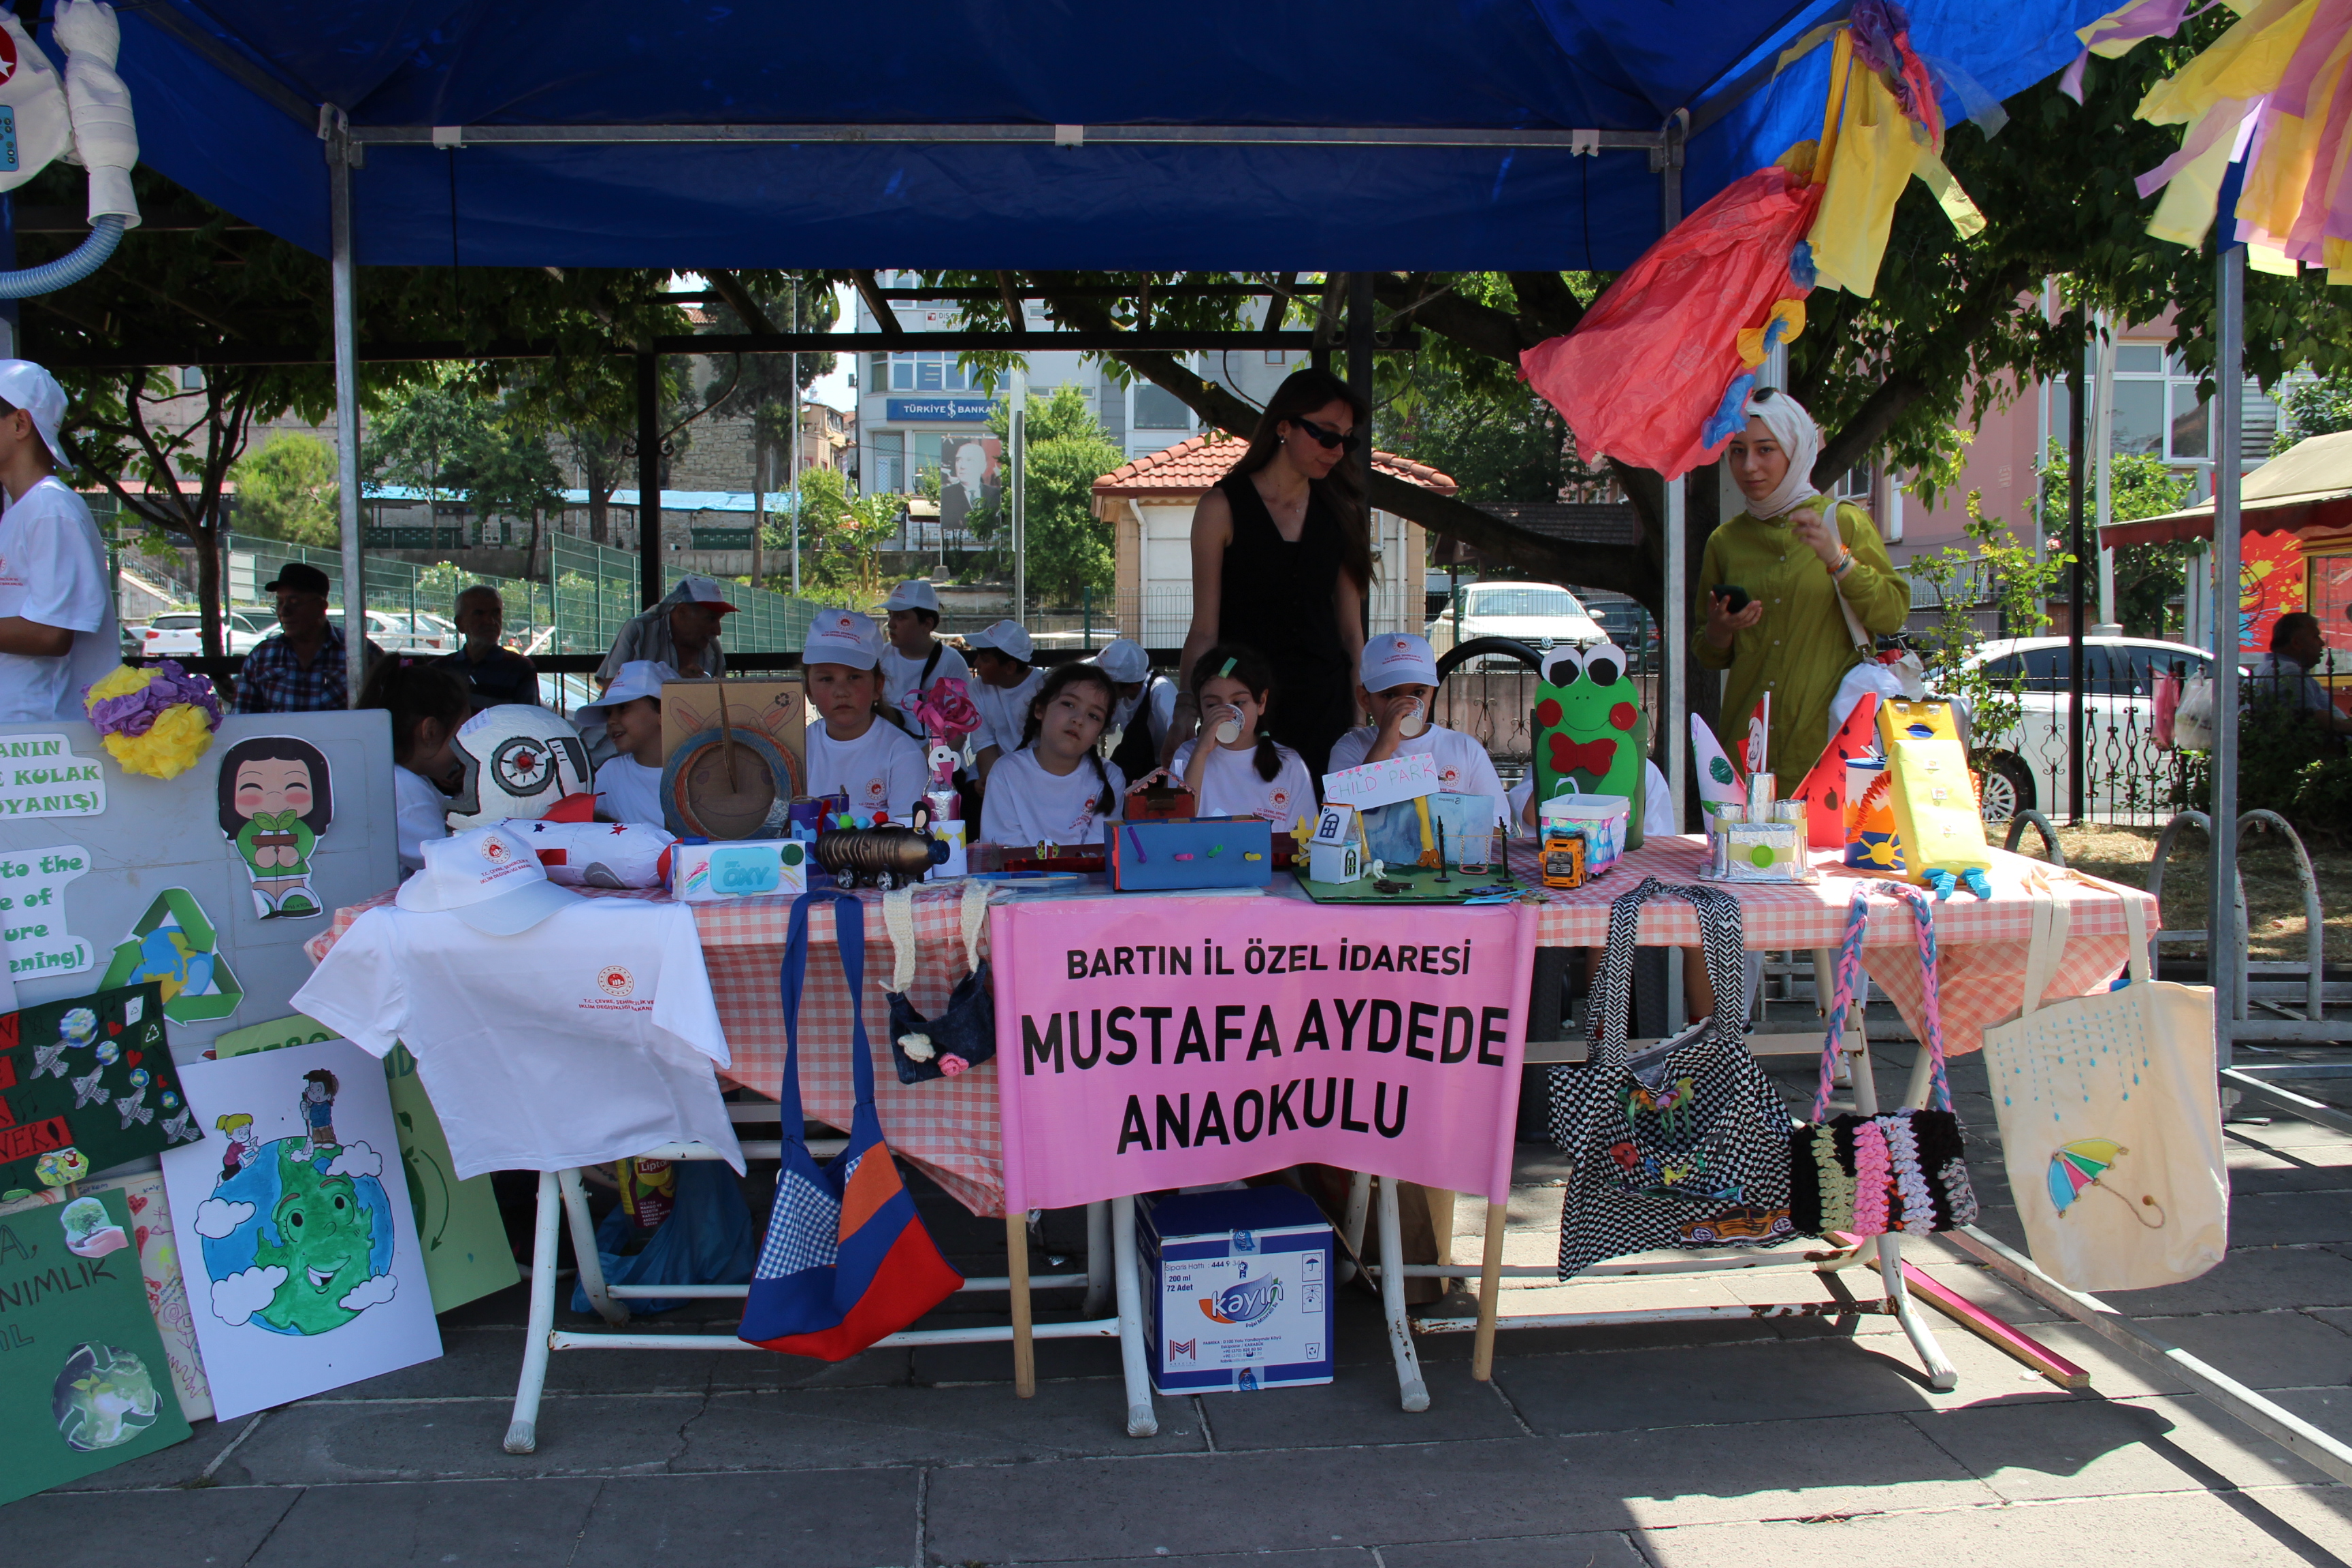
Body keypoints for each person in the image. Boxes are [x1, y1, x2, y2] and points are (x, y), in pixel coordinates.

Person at [1695, 389, 1909, 798]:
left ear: (1795, 450)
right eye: (1737, 451)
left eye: (1765, 450)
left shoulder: (1842, 522)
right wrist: (1722, 629)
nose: (1749, 466)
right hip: (1747, 749)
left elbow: (1891, 614)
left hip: (1830, 746)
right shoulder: (1726, 541)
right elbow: (1708, 651)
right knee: (1743, 860)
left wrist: (1837, 558)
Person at [1173, 368, 1373, 779]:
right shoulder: (1221, 507)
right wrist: (1184, 713)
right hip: (1243, 704)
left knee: (1321, 829)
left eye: (1347, 439)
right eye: (1327, 435)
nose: (1338, 450)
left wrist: (1358, 720)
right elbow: (1205, 628)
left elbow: (1352, 632)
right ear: (1284, 425)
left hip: (1324, 706)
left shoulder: (1342, 511)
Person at [0, 359, 118, 723]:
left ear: (21, 423)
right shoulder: (21, 509)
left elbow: (51, 634)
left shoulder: (51, 507)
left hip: (42, 742)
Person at [1328, 634, 1508, 815]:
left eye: (1418, 692)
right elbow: (1341, 821)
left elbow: (1495, 823)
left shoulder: (1464, 749)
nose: (1405, 706)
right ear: (1365, 700)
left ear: (1431, 694)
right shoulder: (1351, 748)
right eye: (1390, 695)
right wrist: (1384, 746)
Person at [1145, 644, 1315, 826]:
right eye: (1212, 705)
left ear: (1261, 702)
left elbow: (1305, 837)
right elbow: (1177, 822)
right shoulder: (1186, 755)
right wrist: (1201, 752)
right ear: (1200, 707)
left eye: (1239, 702)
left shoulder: (1290, 763)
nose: (1227, 713)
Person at [980, 662, 1126, 848]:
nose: (1079, 719)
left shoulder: (1110, 777)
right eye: (1069, 704)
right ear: (1040, 709)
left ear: (1097, 735)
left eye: (1094, 716)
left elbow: (1099, 850)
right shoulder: (1006, 771)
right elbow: (1003, 849)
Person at [802, 610, 928, 823]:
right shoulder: (796, 750)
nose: (841, 691)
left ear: (877, 686)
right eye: (826, 679)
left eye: (854, 676)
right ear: (809, 691)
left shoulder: (903, 754)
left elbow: (907, 839)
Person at [357, 657, 471, 876]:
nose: (465, 751)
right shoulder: (404, 791)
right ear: (430, 732)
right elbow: (449, 864)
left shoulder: (400, 777)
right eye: (461, 735)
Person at [234, 562, 383, 713]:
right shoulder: (262, 656)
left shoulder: (362, 654)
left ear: (321, 606)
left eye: (294, 602)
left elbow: (386, 720)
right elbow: (243, 720)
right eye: (279, 603)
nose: (284, 611)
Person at [576, 661, 676, 828]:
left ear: (664, 712)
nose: (612, 721)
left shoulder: (702, 769)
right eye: (609, 713)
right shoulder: (610, 773)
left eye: (623, 708)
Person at [596, 575, 733, 683]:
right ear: (683, 611)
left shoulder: (713, 649)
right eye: (711, 619)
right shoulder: (640, 630)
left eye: (719, 620)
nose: (718, 631)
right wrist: (671, 687)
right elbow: (611, 696)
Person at [878, 579, 971, 727]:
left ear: (927, 624)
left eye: (901, 617)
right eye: (890, 615)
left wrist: (928, 750)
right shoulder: (880, 657)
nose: (891, 624)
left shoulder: (952, 662)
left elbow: (958, 729)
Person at [965, 618, 1043, 784]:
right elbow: (985, 743)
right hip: (997, 770)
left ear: (1010, 667)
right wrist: (992, 781)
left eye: (984, 659)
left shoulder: (1047, 688)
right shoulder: (977, 687)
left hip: (1038, 776)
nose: (976, 663)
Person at [2248, 612, 2352, 735]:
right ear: (2296, 643)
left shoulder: (2267, 668)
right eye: (2316, 637)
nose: (2322, 644)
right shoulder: (2289, 672)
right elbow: (2308, 715)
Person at [440, 585, 540, 710]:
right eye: (479, 614)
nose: (491, 621)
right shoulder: (440, 670)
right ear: (460, 624)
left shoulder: (520, 669)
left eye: (496, 613)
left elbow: (528, 722)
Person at [1091, 638, 1178, 783]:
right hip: (1139, 766)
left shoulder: (1161, 690)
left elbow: (1180, 741)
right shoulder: (1120, 695)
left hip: (1164, 770)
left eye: (1106, 684)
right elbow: (1103, 727)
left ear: (1133, 688)